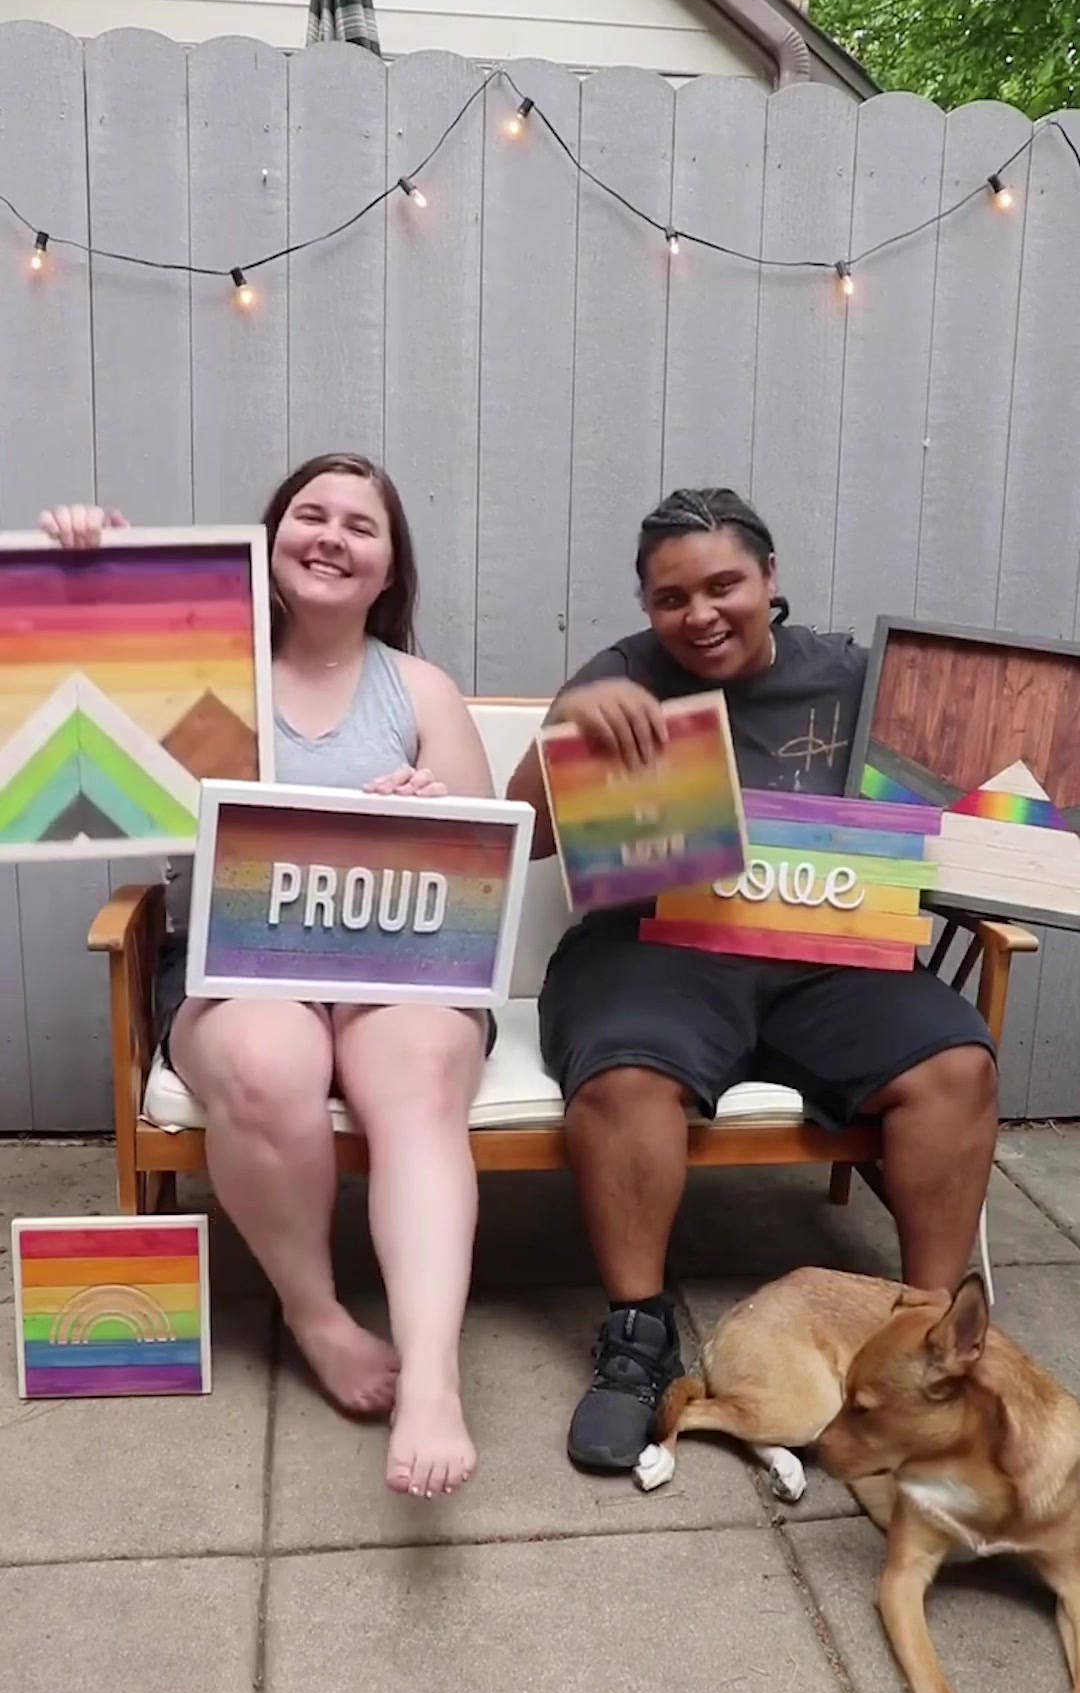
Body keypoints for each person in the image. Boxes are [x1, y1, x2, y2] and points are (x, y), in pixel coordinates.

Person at [507, 487, 998, 1475]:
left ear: (770, 578)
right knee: (624, 1077)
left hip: (830, 950)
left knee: (957, 1066)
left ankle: (934, 1336)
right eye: (670, 598)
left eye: (723, 585)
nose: (699, 614)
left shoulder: (859, 677)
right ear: (645, 606)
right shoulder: (619, 679)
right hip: (657, 947)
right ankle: (637, 1338)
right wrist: (567, 733)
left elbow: (963, 808)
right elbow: (524, 834)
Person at [42, 454, 494, 1499]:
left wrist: (428, 816)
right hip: (235, 965)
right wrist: (92, 569)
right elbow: (61, 696)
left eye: (361, 526)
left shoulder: (420, 690)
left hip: (398, 965)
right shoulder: (189, 664)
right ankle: (317, 1316)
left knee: (419, 1072)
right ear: (271, 539)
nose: (331, 536)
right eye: (310, 515)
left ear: (391, 569)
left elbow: (482, 875)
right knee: (264, 1058)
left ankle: (433, 1377)